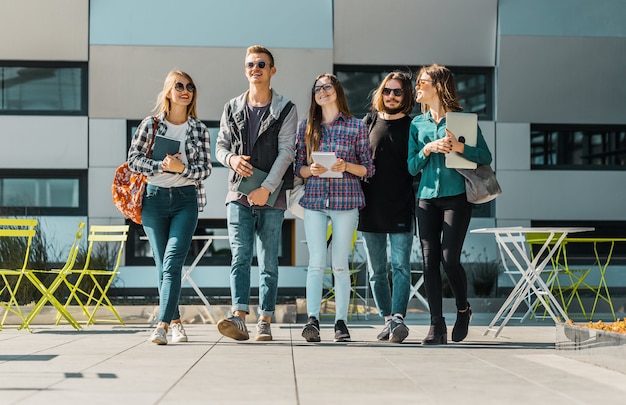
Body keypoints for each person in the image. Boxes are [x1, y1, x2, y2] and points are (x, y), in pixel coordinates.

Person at [215, 45, 297, 341]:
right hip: (237, 194)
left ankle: (264, 319)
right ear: (245, 69)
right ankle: (238, 317)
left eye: (262, 64)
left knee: (268, 262)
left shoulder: (286, 108)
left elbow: (287, 151)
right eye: (251, 64)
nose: (256, 68)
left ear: (272, 70)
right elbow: (220, 147)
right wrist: (231, 159)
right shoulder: (231, 107)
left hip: (271, 197)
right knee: (240, 257)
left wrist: (267, 189)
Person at [407, 64, 492, 345]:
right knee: (429, 262)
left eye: (423, 82)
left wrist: (459, 148)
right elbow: (410, 167)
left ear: (439, 86)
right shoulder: (416, 124)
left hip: (457, 197)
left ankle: (463, 309)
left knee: (449, 259)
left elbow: (484, 156)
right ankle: (436, 325)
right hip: (427, 198)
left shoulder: (463, 121)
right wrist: (427, 149)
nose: (417, 87)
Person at [128, 70, 212, 345]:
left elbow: (205, 169)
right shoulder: (150, 125)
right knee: (161, 263)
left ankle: (161, 325)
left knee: (173, 261)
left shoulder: (198, 129)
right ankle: (176, 322)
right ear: (168, 91)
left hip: (186, 200)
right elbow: (133, 160)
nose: (185, 90)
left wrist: (181, 168)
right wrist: (159, 166)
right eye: (179, 86)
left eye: (190, 86)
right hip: (153, 199)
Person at [296, 73, 375, 342]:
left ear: (337, 91)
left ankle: (341, 322)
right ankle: (313, 320)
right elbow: (299, 168)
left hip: (346, 202)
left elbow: (368, 169)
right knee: (316, 263)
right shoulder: (306, 127)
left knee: (340, 264)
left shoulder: (356, 127)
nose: (322, 91)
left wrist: (346, 166)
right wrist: (311, 169)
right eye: (317, 88)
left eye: (326, 86)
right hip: (315, 201)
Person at [358, 71, 416, 343]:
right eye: (387, 91)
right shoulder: (367, 122)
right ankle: (386, 319)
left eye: (397, 92)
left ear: (406, 96)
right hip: (370, 207)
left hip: (402, 206)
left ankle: (398, 319)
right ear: (380, 93)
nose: (391, 96)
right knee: (376, 271)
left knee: (401, 266)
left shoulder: (414, 126)